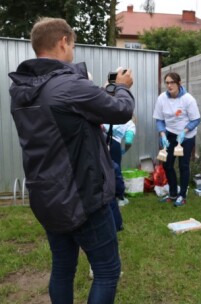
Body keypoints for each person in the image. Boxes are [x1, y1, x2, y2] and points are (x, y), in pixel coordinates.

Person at [8, 18, 134, 304]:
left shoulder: (22, 90)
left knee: (63, 269)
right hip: (83, 196)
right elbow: (121, 110)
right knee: (106, 271)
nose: (73, 50)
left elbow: (66, 119)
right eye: (73, 44)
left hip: (48, 196)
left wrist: (99, 92)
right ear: (63, 41)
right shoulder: (68, 85)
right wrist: (122, 87)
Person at [153, 72, 200, 207]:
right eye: (167, 82)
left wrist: (185, 131)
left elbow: (196, 119)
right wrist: (162, 134)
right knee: (167, 165)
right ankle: (173, 193)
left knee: (183, 165)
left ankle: (182, 195)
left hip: (186, 136)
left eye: (172, 82)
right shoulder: (162, 98)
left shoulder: (188, 99)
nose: (169, 85)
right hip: (170, 134)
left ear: (179, 83)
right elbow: (159, 119)